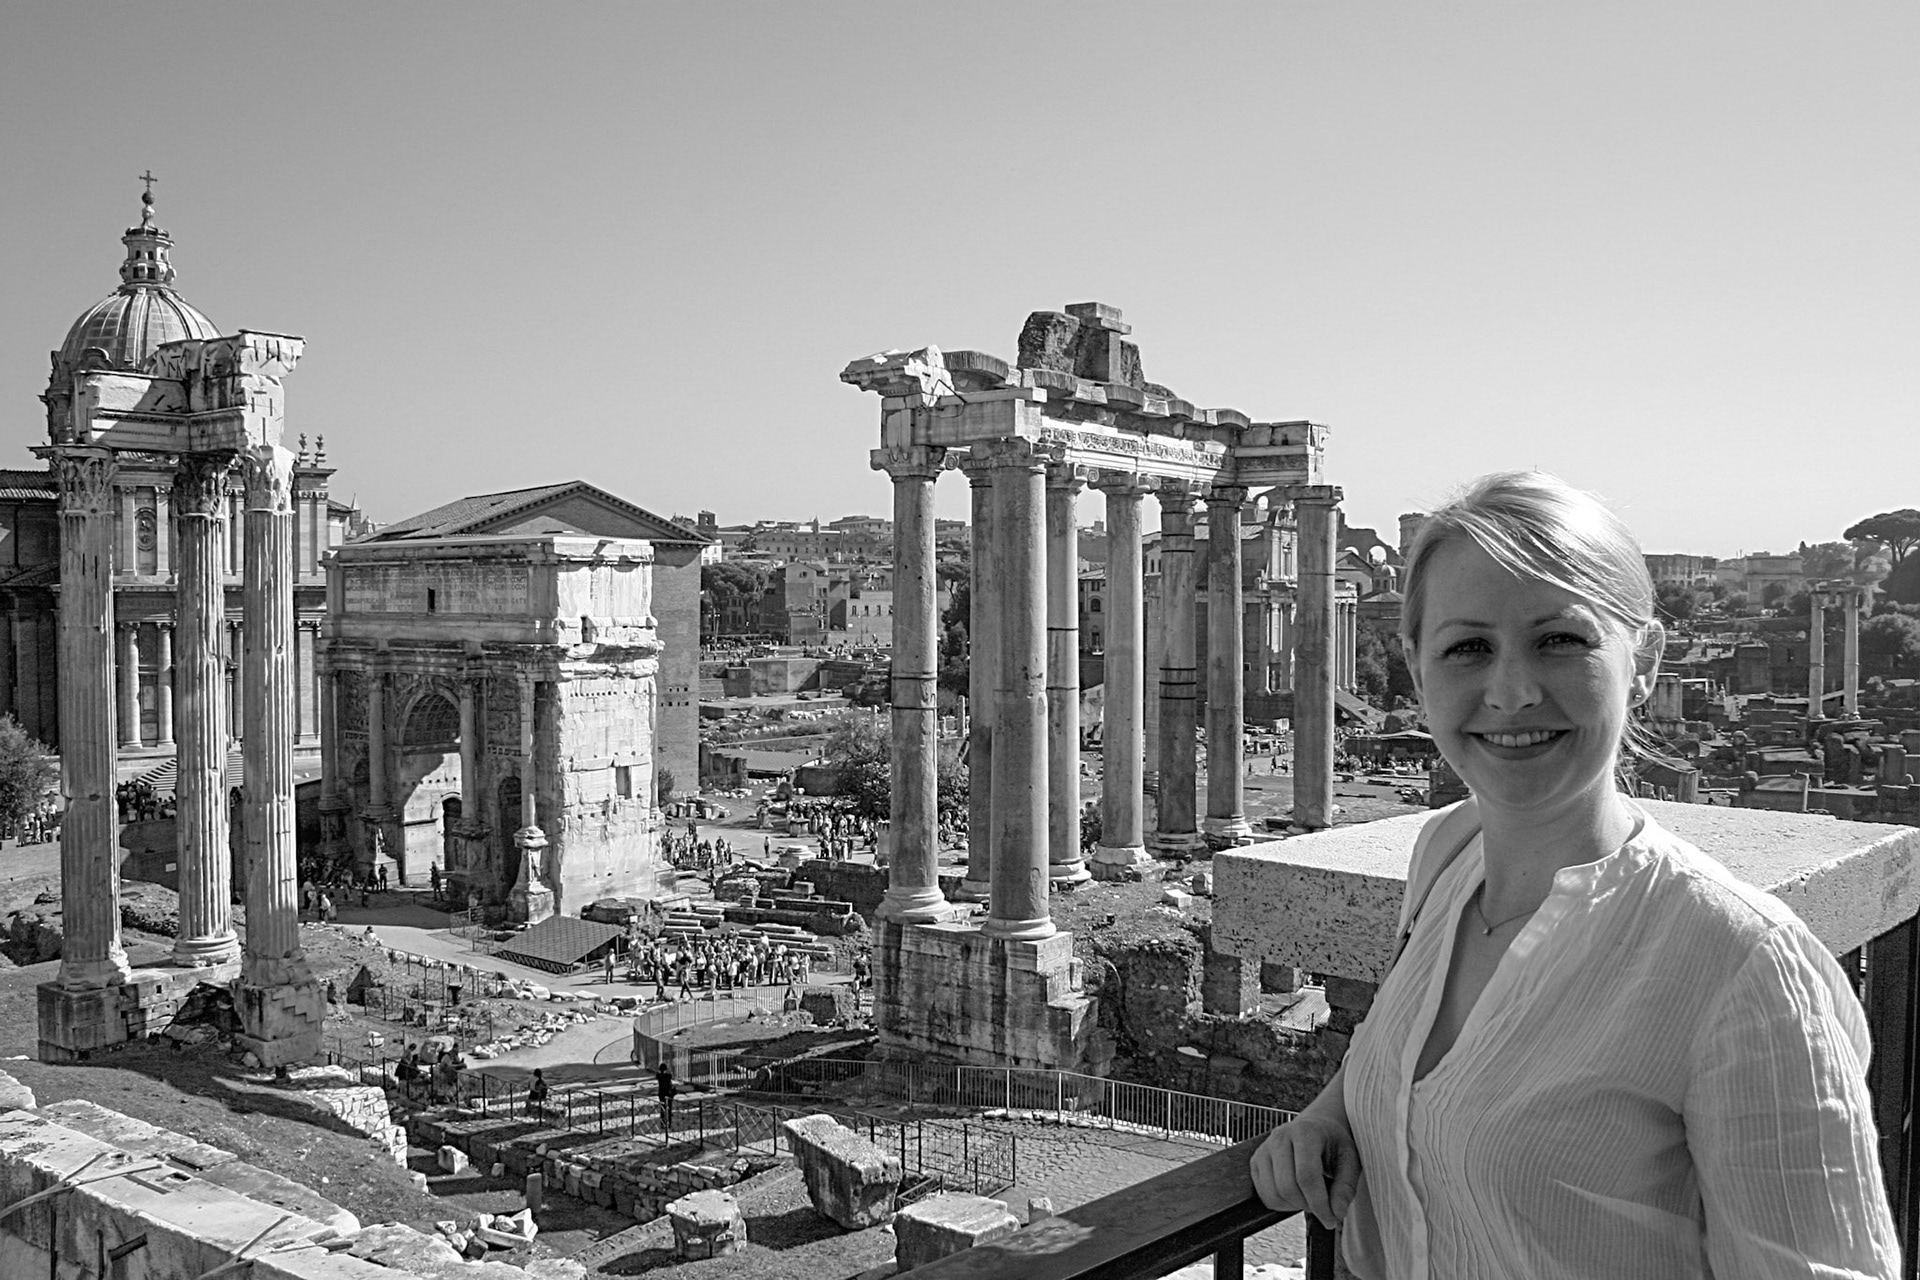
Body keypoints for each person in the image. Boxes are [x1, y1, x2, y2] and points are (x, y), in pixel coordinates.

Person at [1250, 471, 1896, 1278]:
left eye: (1561, 640)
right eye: (1468, 647)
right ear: (1418, 670)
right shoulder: (1447, 856)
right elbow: (1416, 1054)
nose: (1512, 691)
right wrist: (1329, 1115)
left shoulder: (1743, 966)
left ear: (1646, 661)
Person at [655, 1061, 676, 1133]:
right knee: (669, 1109)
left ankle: (662, 1123)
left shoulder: (659, 1076)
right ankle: (669, 1123)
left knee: (662, 1109)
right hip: (668, 1094)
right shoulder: (668, 1076)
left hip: (661, 1094)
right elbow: (671, 1075)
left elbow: (657, 1075)